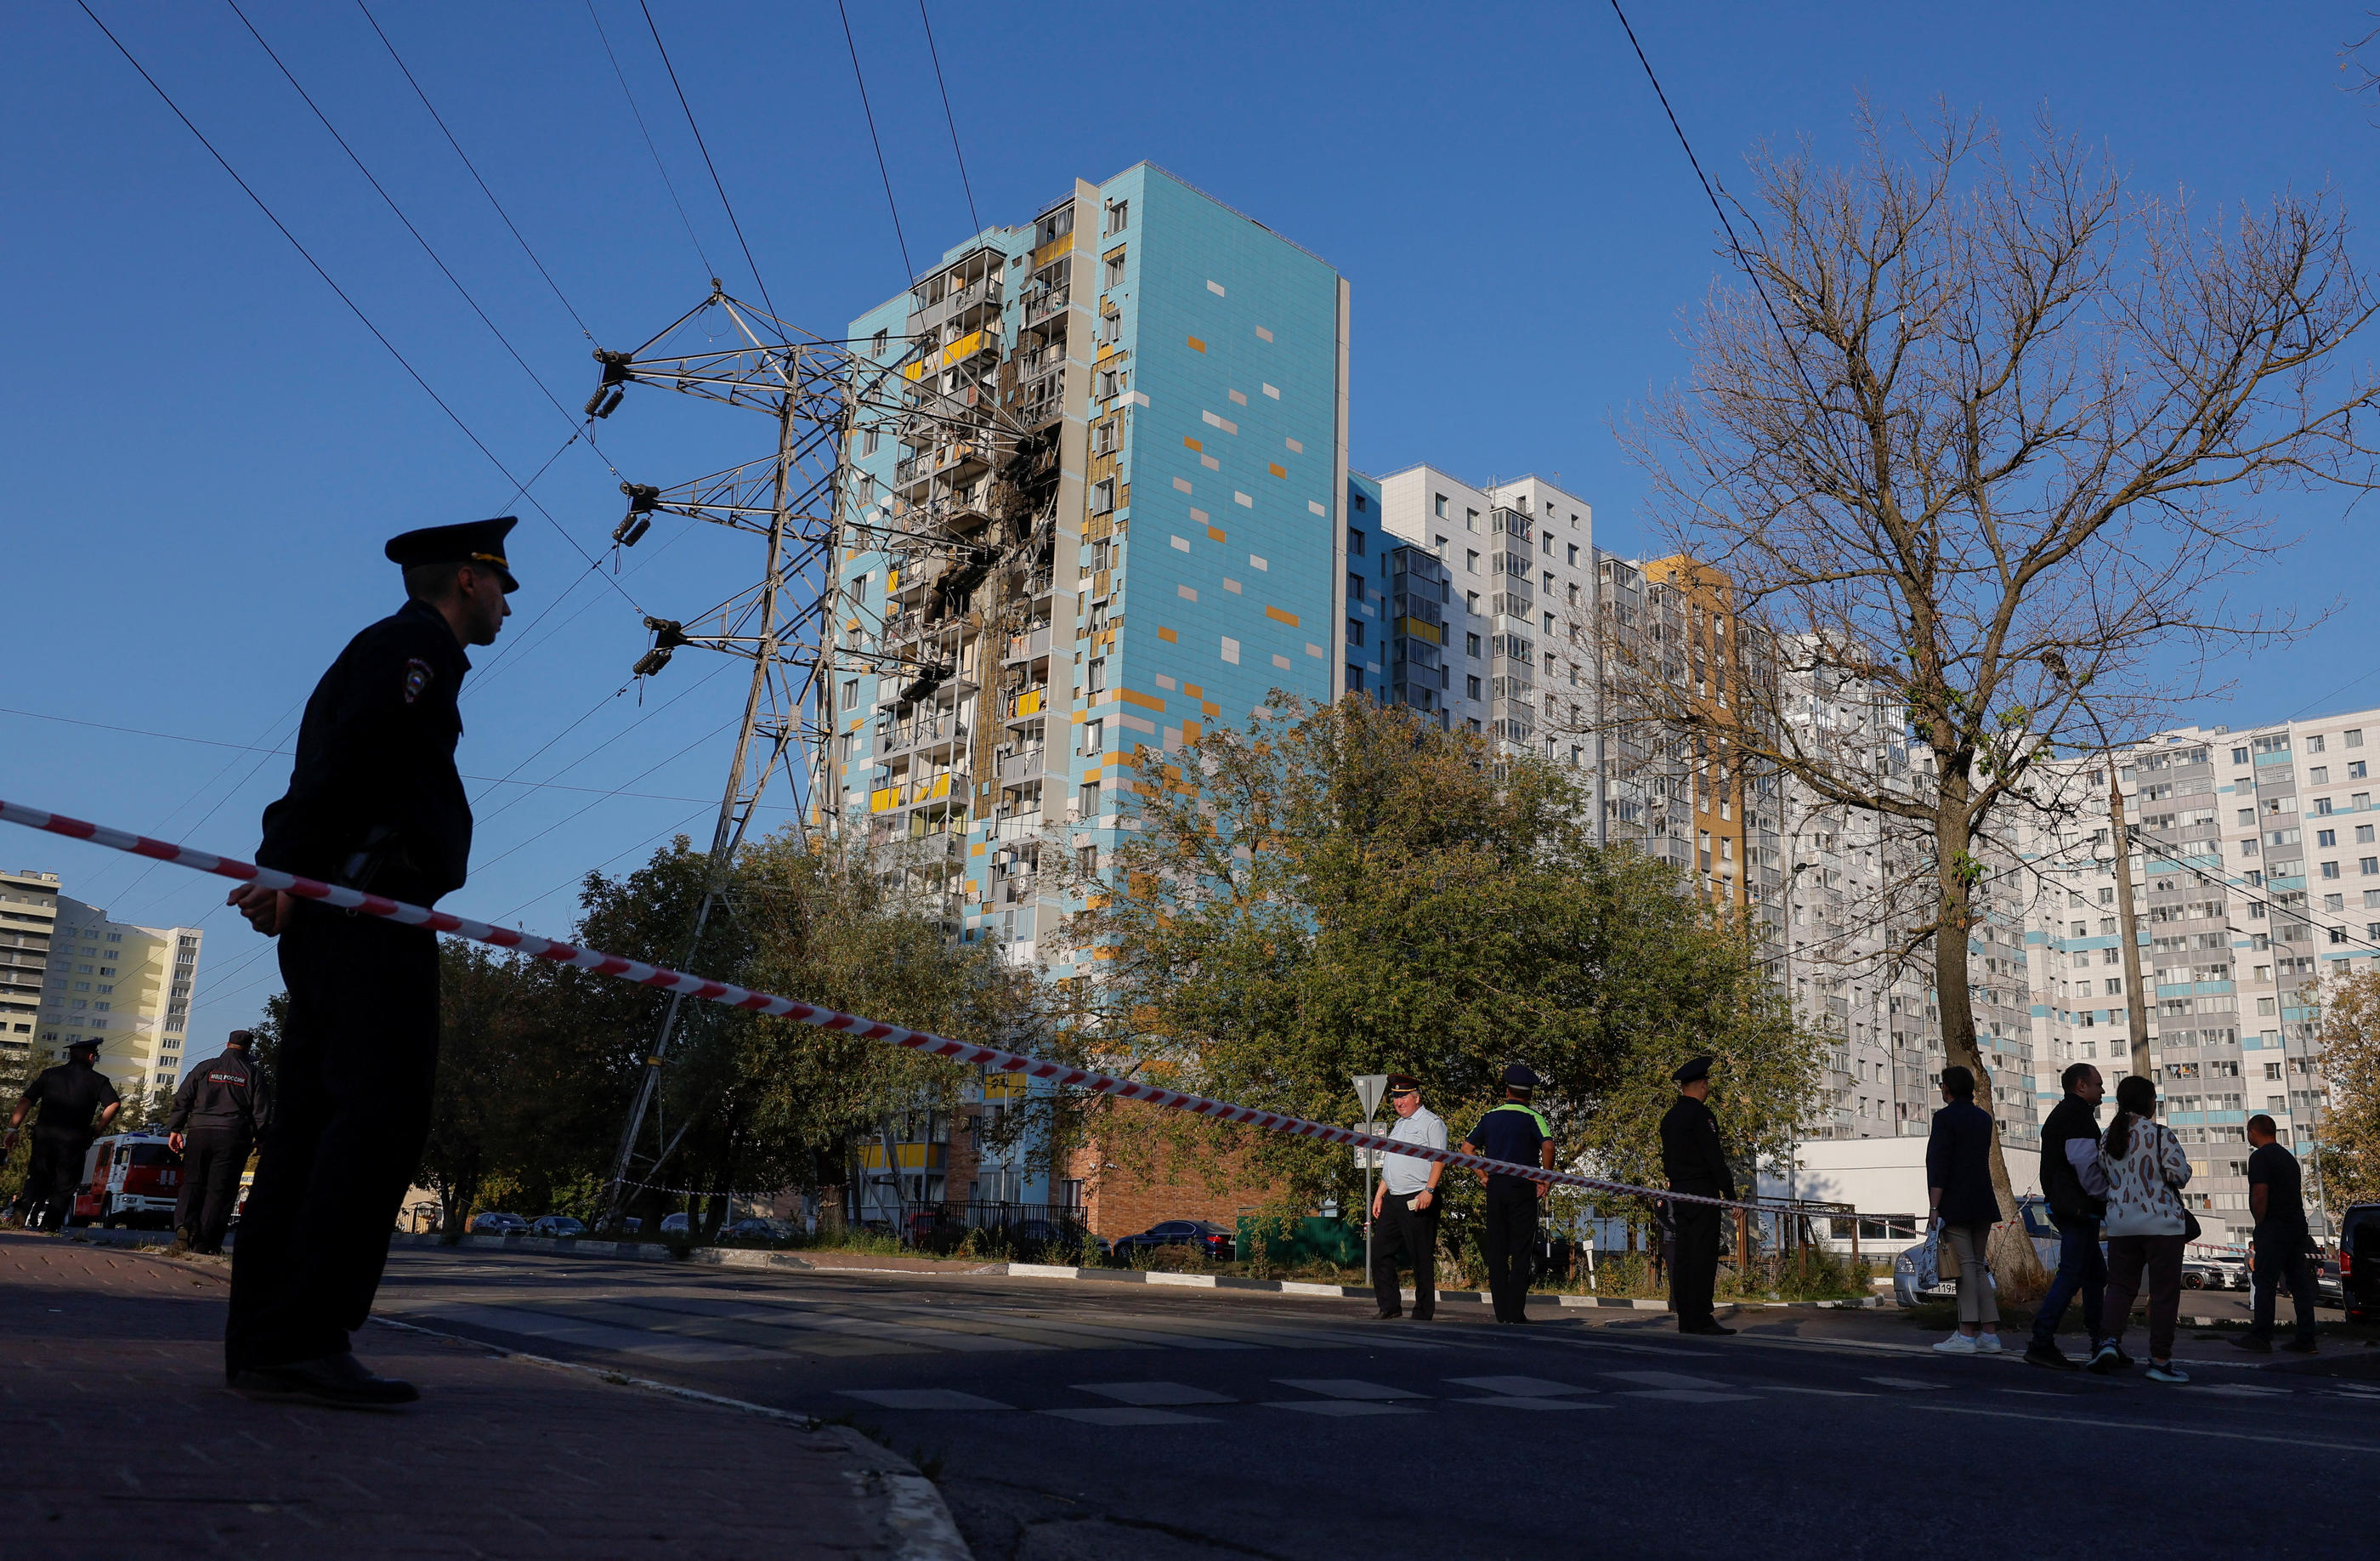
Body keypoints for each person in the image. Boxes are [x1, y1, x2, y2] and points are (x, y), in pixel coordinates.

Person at [219, 518, 517, 1407]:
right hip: (367, 914)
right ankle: (306, 1335)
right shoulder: (410, 651)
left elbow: (331, 768)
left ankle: (269, 1344)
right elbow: (346, 765)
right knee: (377, 1117)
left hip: (342, 908)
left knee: (312, 1126)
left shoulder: (400, 653)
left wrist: (289, 868)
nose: (508, 606)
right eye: (501, 587)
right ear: (467, 581)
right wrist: (288, 866)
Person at [2093, 1073, 2192, 1382]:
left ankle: (2108, 1341)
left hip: (2122, 1224)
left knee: (2120, 1287)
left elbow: (2103, 1174)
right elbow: (2180, 1175)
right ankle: (2159, 1361)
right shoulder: (2160, 1134)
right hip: (2162, 1225)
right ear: (2149, 1102)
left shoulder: (2109, 1136)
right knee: (2164, 1293)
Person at [2026, 1062, 2111, 1371]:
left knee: (2092, 1274)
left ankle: (2100, 1343)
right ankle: (2042, 1340)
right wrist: (2106, 1194)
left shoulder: (2066, 1114)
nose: (2102, 1090)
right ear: (2081, 1086)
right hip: (2078, 1208)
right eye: (2098, 1084)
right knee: (2073, 1273)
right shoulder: (2077, 1117)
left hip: (2070, 1206)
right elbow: (2086, 1166)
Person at [1461, 1064, 1556, 1324]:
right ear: (1529, 1094)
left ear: (1506, 1090)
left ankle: (1501, 1312)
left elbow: (1467, 1148)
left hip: (1496, 1187)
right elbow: (1548, 1145)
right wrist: (1546, 1178)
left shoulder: (1489, 1116)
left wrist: (1483, 1175)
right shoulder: (1533, 1117)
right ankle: (1516, 1312)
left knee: (1498, 1250)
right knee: (1522, 1250)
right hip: (1523, 1188)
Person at [165, 1029, 269, 1255]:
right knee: (219, 1190)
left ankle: (183, 1227)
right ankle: (205, 1243)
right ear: (248, 1048)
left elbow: (183, 1097)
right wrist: (261, 1139)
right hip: (233, 1136)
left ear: (227, 1044)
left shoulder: (205, 1067)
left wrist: (175, 1129)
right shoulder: (252, 1073)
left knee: (193, 1182)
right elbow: (261, 1111)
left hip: (200, 1132)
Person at [1926, 1064, 2005, 1355]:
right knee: (1978, 1266)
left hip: (1955, 1203)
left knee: (1965, 1270)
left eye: (1942, 1084)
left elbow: (1939, 1164)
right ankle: (1990, 1334)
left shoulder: (1944, 1119)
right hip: (1983, 1201)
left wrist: (1935, 1206)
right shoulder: (1983, 1118)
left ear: (1947, 1089)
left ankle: (1966, 1334)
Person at [5, 1039, 122, 1231]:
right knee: (64, 1185)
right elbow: (113, 1104)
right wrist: (98, 1128)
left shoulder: (50, 1075)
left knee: (36, 1176)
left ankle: (20, 1214)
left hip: (44, 1137)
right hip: (74, 1141)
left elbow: (26, 1100)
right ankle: (50, 1226)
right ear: (92, 1057)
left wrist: (12, 1130)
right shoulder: (99, 1081)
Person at [1660, 1053, 1737, 1336]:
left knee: (1685, 1255)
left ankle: (1686, 1317)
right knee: (1703, 1255)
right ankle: (1701, 1317)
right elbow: (1714, 1158)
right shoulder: (1701, 1116)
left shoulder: (1670, 1118)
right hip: (1703, 1194)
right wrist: (1730, 1194)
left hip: (1679, 1193)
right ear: (1703, 1085)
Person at [2232, 1113, 2319, 1355]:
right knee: (2298, 1281)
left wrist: (2260, 1223)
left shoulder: (2260, 1158)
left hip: (2274, 1226)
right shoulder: (2288, 1158)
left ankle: (2261, 1336)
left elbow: (2260, 1193)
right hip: (2296, 1226)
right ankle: (2306, 1338)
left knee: (2265, 1281)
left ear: (2253, 1132)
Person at [1368, 1074, 1446, 1320]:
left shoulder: (1431, 1123)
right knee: (1380, 1251)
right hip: (1394, 1198)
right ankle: (1389, 1306)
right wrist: (1380, 1194)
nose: (1399, 1102)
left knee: (1420, 1255)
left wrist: (1429, 1190)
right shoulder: (1398, 1125)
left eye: (1403, 1097)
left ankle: (1423, 1310)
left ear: (1416, 1097)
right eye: (1395, 1097)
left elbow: (1440, 1159)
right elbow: (1392, 1164)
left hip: (1419, 1196)